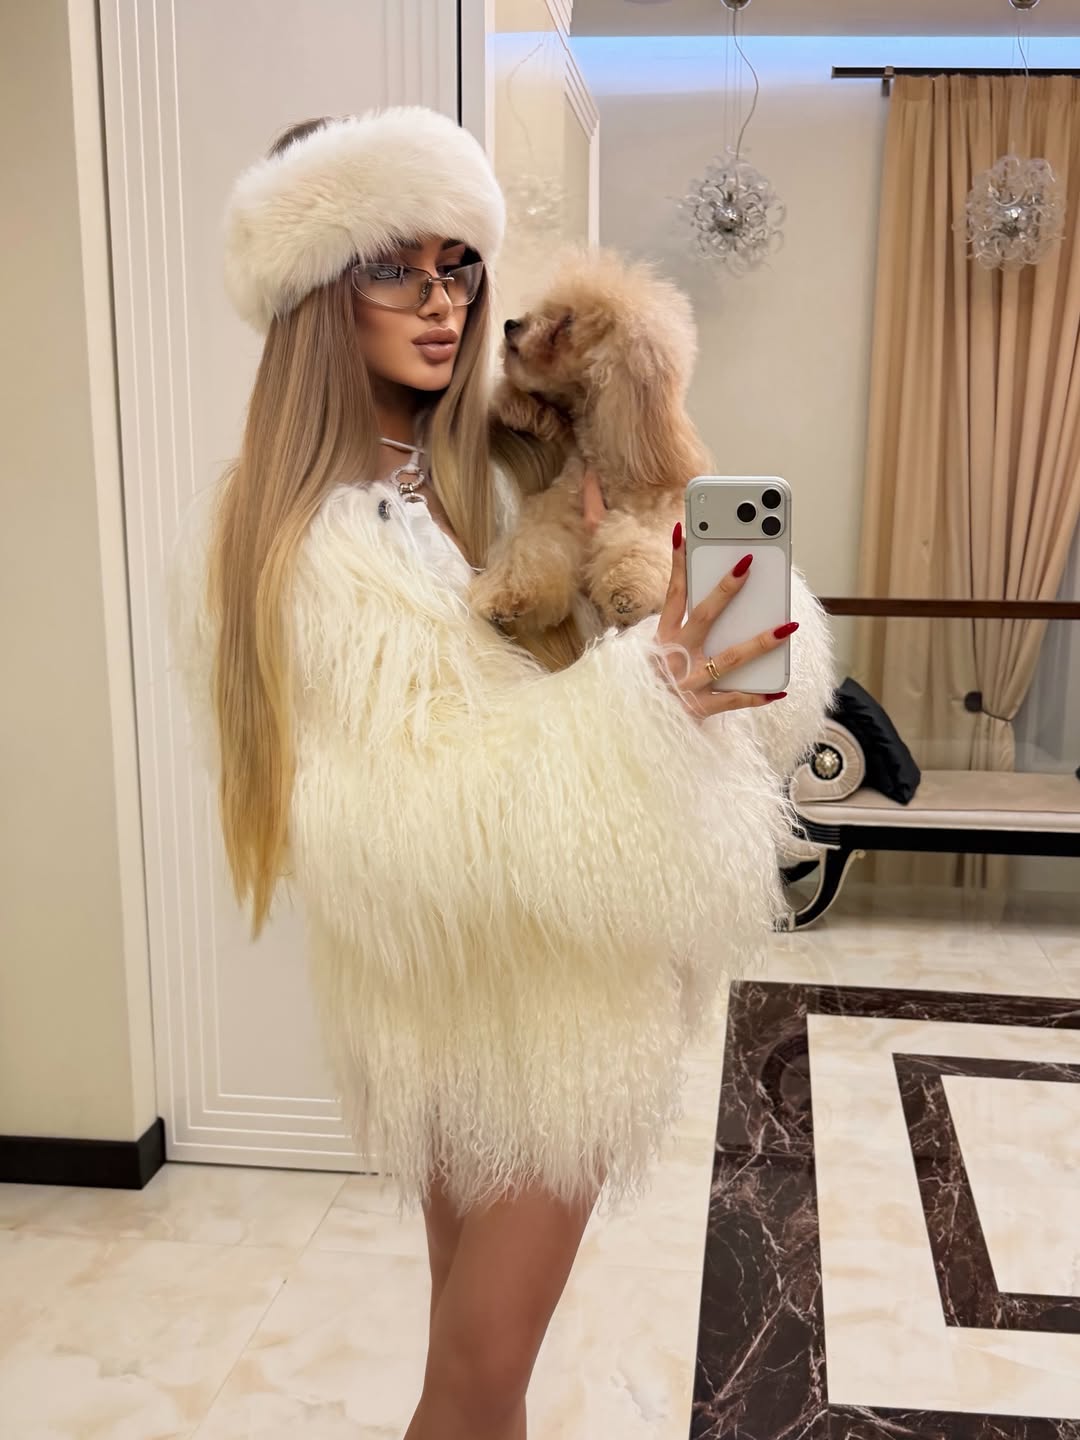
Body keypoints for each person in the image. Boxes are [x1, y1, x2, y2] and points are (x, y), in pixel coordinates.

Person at [171, 106, 832, 1440]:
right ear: (313, 291)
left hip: (550, 977)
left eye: (458, 265)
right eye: (392, 267)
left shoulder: (499, 460)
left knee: (478, 1366)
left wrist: (692, 631)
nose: (441, 300)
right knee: (475, 1376)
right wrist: (649, 696)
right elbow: (403, 808)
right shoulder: (292, 533)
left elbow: (678, 647)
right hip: (482, 999)